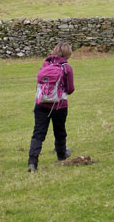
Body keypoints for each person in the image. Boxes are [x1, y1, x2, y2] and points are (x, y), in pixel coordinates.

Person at [28, 42, 75, 172]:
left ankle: (32, 162)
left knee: (38, 132)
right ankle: (61, 154)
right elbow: (70, 89)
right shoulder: (66, 68)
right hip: (59, 105)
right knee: (59, 131)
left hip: (41, 104)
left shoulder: (45, 64)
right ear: (68, 54)